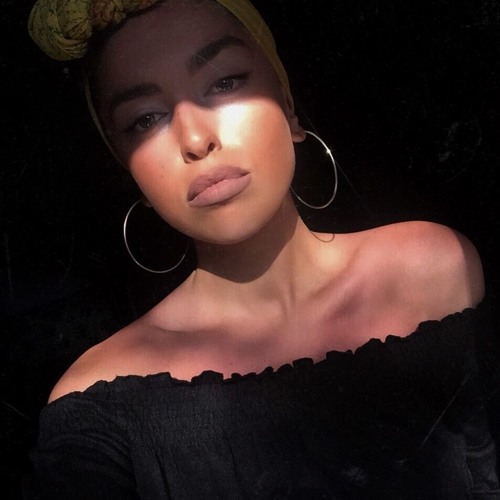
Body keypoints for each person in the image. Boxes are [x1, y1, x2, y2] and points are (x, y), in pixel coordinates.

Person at [23, 0, 500, 498]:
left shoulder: (432, 270)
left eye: (224, 83)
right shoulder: (97, 407)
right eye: (145, 120)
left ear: (288, 107)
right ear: (129, 170)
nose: (195, 139)